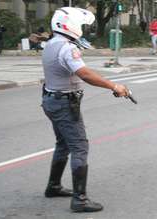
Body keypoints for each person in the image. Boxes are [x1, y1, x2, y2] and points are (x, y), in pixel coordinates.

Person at [41, 7, 129, 213]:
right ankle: (80, 199)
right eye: (80, 24)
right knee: (79, 147)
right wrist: (114, 86)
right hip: (64, 104)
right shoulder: (66, 48)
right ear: (68, 24)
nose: (81, 29)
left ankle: (53, 186)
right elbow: (85, 74)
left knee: (63, 144)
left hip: (51, 100)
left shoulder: (52, 43)